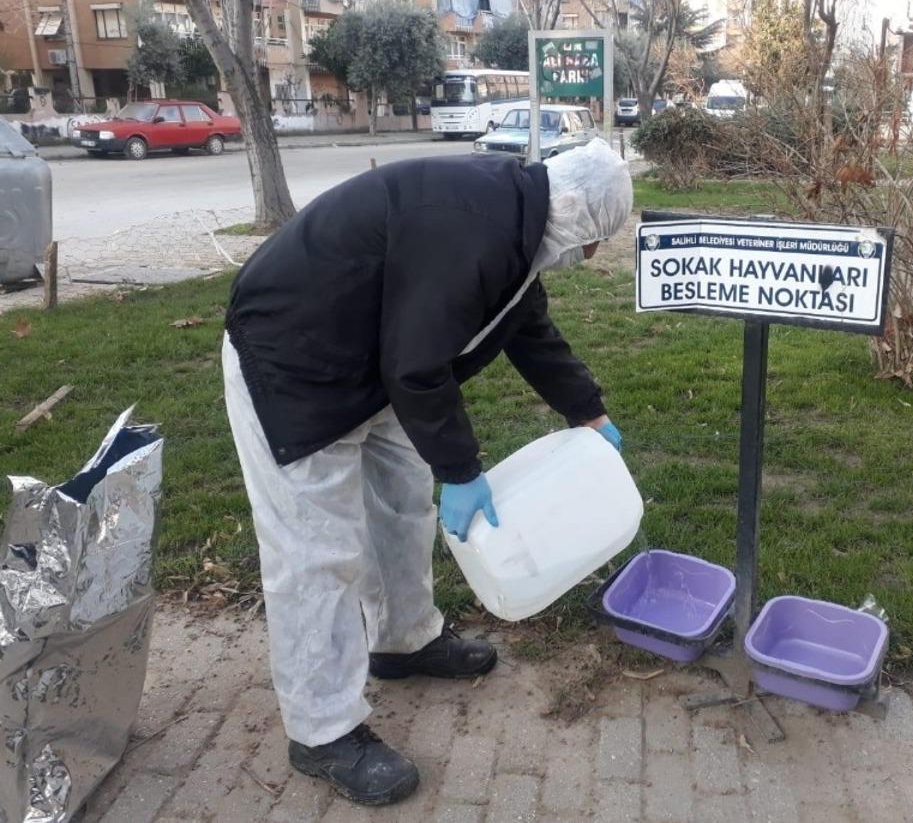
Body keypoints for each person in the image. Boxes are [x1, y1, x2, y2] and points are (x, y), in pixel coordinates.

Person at [221, 138, 633, 805]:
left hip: (369, 353)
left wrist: (587, 411)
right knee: (315, 553)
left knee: (403, 502)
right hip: (293, 358)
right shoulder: (482, 229)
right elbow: (417, 362)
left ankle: (404, 640)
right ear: (582, 219)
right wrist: (462, 469)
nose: (587, 259)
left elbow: (525, 326)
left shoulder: (519, 219)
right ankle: (321, 729)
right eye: (594, 246)